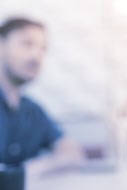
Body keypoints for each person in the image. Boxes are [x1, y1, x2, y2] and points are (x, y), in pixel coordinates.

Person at [0, 17, 83, 174]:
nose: (36, 56)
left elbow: (73, 153)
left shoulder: (33, 110)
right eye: (27, 44)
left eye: (43, 49)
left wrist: (26, 171)